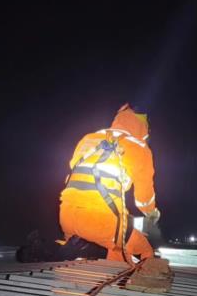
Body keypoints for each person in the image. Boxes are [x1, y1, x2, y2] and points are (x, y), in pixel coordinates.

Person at [58, 103, 160, 263]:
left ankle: (73, 248)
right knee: (144, 250)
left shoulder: (89, 138)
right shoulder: (139, 148)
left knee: (114, 244)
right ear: (143, 127)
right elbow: (143, 197)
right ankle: (116, 274)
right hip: (103, 224)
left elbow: (74, 173)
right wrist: (152, 213)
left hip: (67, 217)